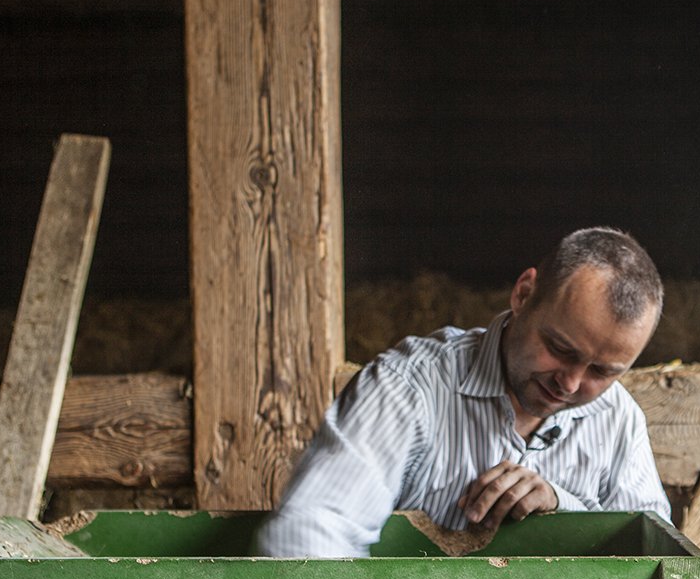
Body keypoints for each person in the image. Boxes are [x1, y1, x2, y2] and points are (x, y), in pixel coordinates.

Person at [256, 227, 671, 558]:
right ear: (523, 294)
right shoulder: (408, 388)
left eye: (602, 371)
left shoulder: (618, 418)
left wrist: (563, 508)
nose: (571, 383)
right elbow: (308, 535)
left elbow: (658, 560)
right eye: (561, 349)